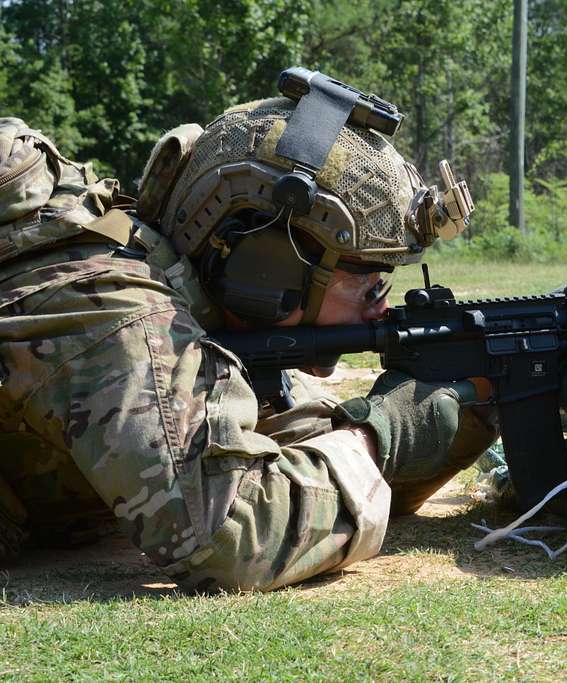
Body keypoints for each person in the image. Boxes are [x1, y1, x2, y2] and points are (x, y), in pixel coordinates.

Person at [0, 70, 496, 591]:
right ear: (268, 268)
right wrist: (380, 433)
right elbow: (230, 540)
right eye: (371, 283)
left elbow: (329, 468)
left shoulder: (210, 325)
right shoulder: (121, 316)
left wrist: (482, 393)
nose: (382, 306)